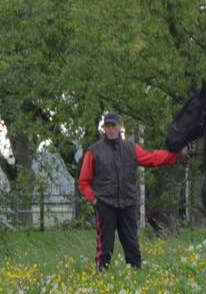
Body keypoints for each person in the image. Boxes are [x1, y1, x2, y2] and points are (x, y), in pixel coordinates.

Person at [77, 112, 186, 270]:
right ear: (103, 129)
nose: (110, 129)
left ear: (120, 126)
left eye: (113, 125)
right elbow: (83, 182)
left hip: (128, 204)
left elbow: (153, 158)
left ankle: (136, 274)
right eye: (107, 126)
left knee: (132, 245)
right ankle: (101, 275)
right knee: (105, 247)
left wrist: (175, 156)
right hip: (105, 205)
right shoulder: (93, 152)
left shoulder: (131, 149)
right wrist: (94, 200)